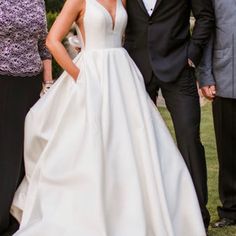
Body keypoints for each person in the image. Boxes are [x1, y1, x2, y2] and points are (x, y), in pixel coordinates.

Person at [11, 0, 206, 235]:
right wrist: (79, 76)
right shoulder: (78, 0)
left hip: (123, 75)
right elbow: (52, 40)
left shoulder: (122, 0)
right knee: (92, 145)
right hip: (90, 75)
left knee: (133, 146)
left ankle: (140, 211)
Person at [124, 0, 215, 229]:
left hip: (179, 67)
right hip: (136, 67)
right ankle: (145, 215)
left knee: (189, 139)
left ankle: (197, 215)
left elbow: (205, 17)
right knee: (137, 143)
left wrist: (192, 54)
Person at [0, 0, 52, 235]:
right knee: (6, 151)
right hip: (3, 79)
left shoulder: (37, 1)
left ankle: (16, 213)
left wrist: (48, 83)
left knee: (25, 150)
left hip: (30, 84)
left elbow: (44, 44)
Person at [197, 0, 236, 228]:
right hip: (225, 77)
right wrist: (206, 76)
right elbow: (207, 33)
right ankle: (230, 210)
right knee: (227, 149)